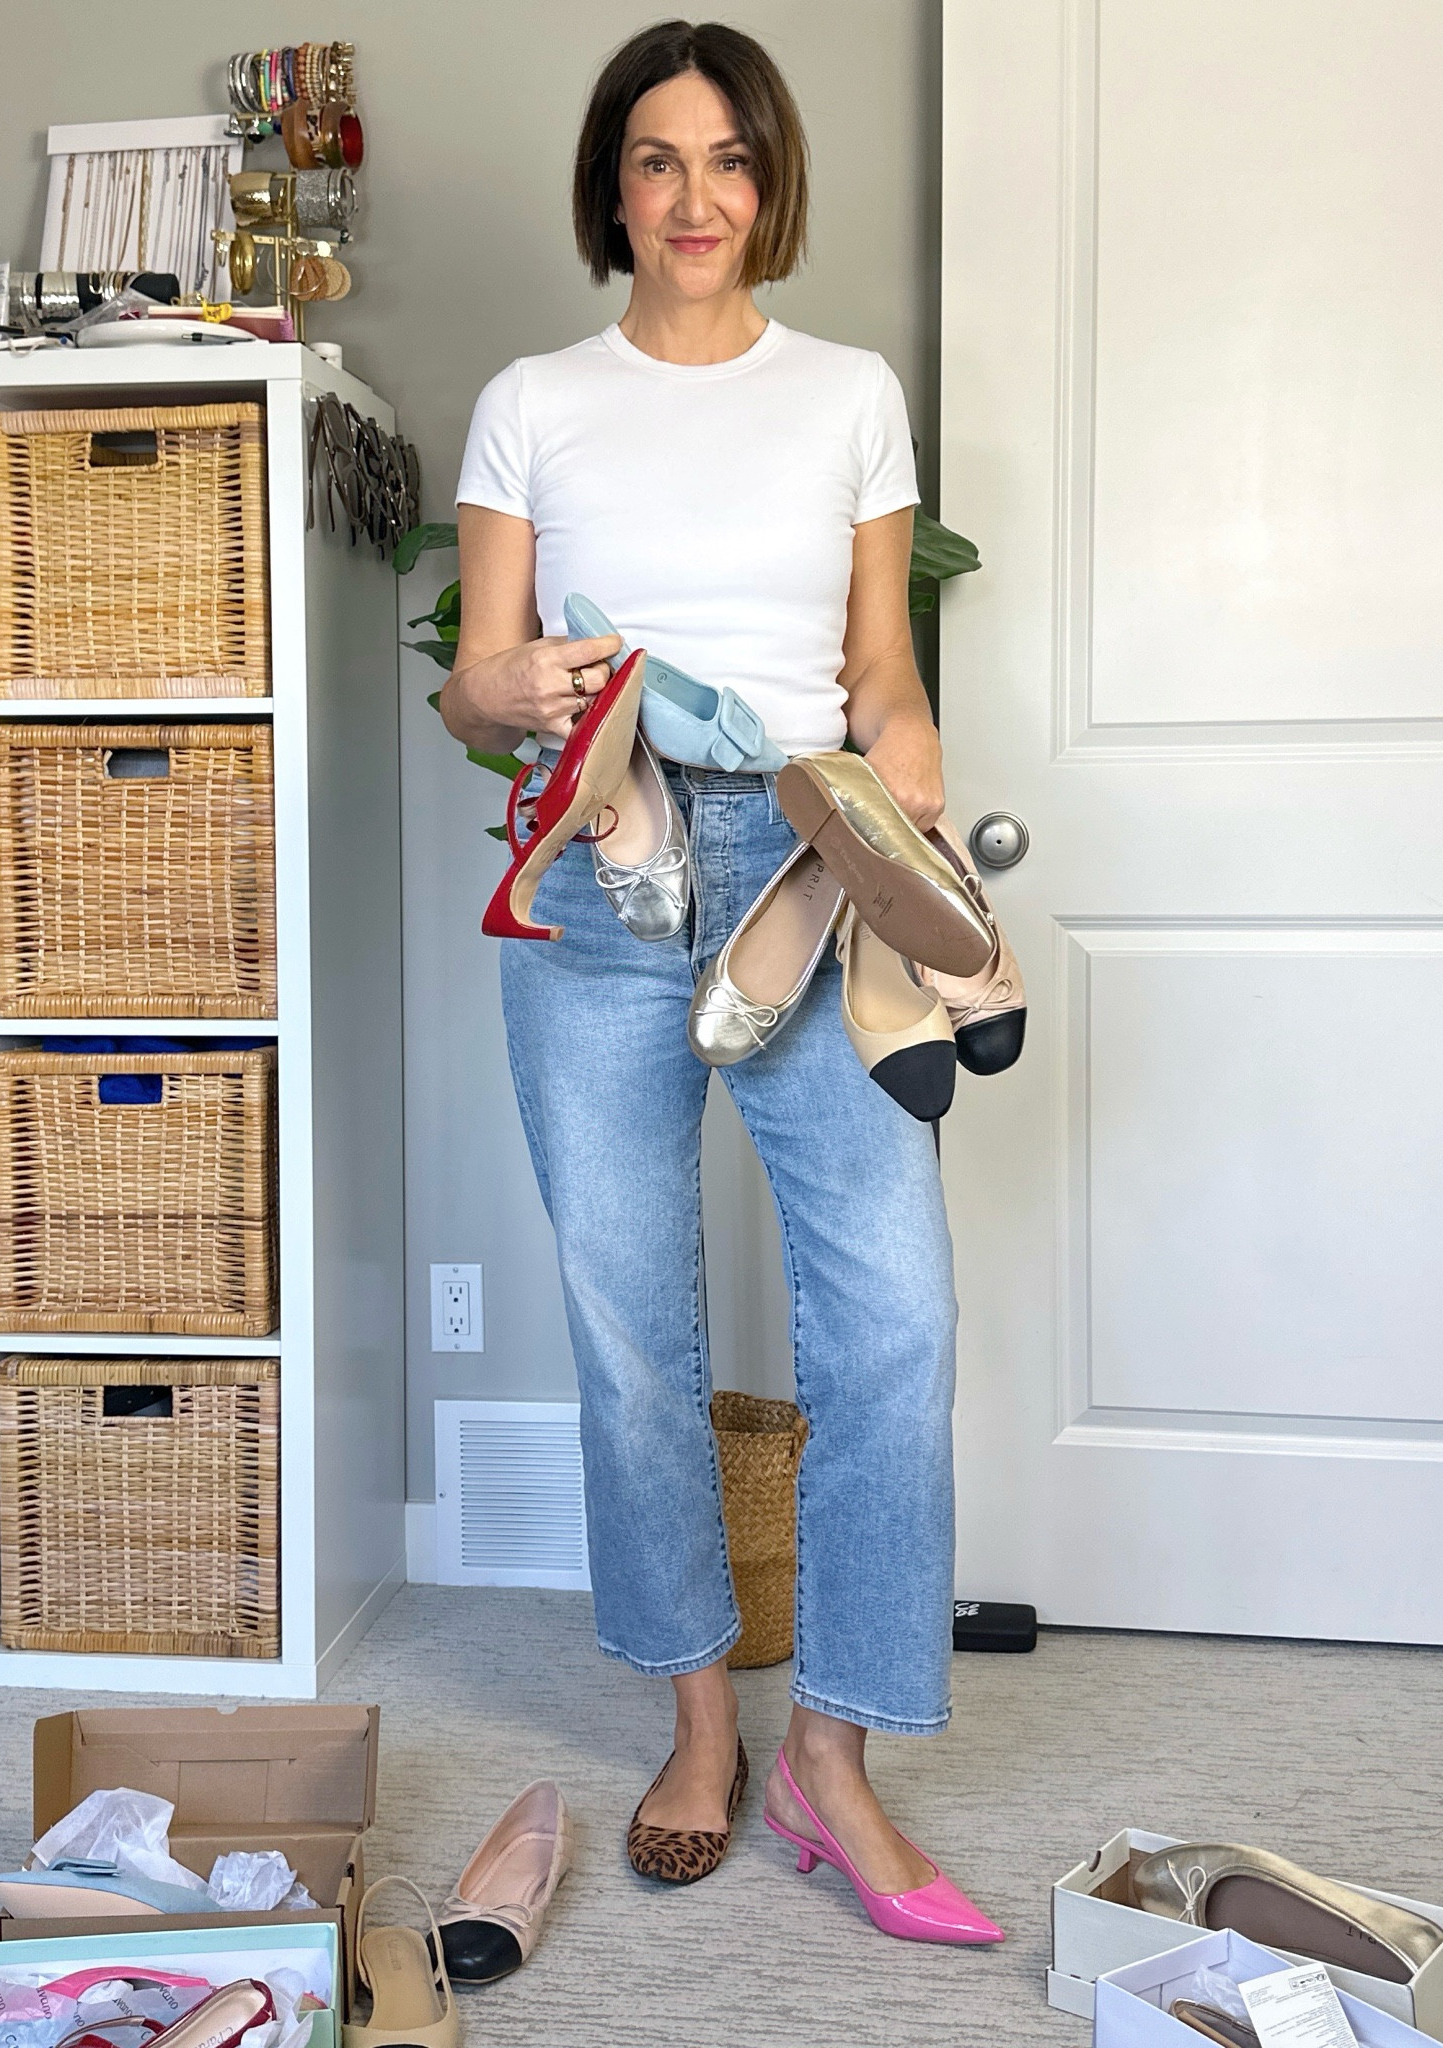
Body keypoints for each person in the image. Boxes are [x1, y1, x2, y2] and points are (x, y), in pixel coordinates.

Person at [442, 18, 998, 1942]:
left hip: (803, 862)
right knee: (632, 1330)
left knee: (895, 1319)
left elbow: (884, 660)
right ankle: (700, 1727)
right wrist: (511, 689)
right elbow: (473, 683)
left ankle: (836, 1760)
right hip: (602, 856)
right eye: (661, 160)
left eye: (732, 161)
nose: (698, 199)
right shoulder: (534, 399)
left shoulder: (851, 393)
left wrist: (904, 758)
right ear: (615, 184)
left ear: (773, 184)